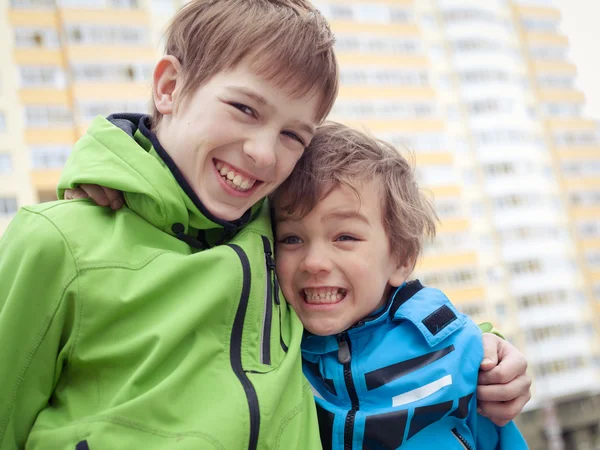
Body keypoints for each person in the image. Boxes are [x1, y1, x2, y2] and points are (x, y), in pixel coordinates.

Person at [0, 1, 529, 449]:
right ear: (169, 87)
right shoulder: (58, 243)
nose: (261, 153)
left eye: (293, 136)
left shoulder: (270, 233)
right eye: (244, 109)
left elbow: (369, 308)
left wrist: (481, 349)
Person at [271, 122, 529, 449]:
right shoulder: (272, 353)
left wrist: (487, 349)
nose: (314, 262)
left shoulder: (461, 354)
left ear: (401, 258)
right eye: (291, 238)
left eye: (345, 237)